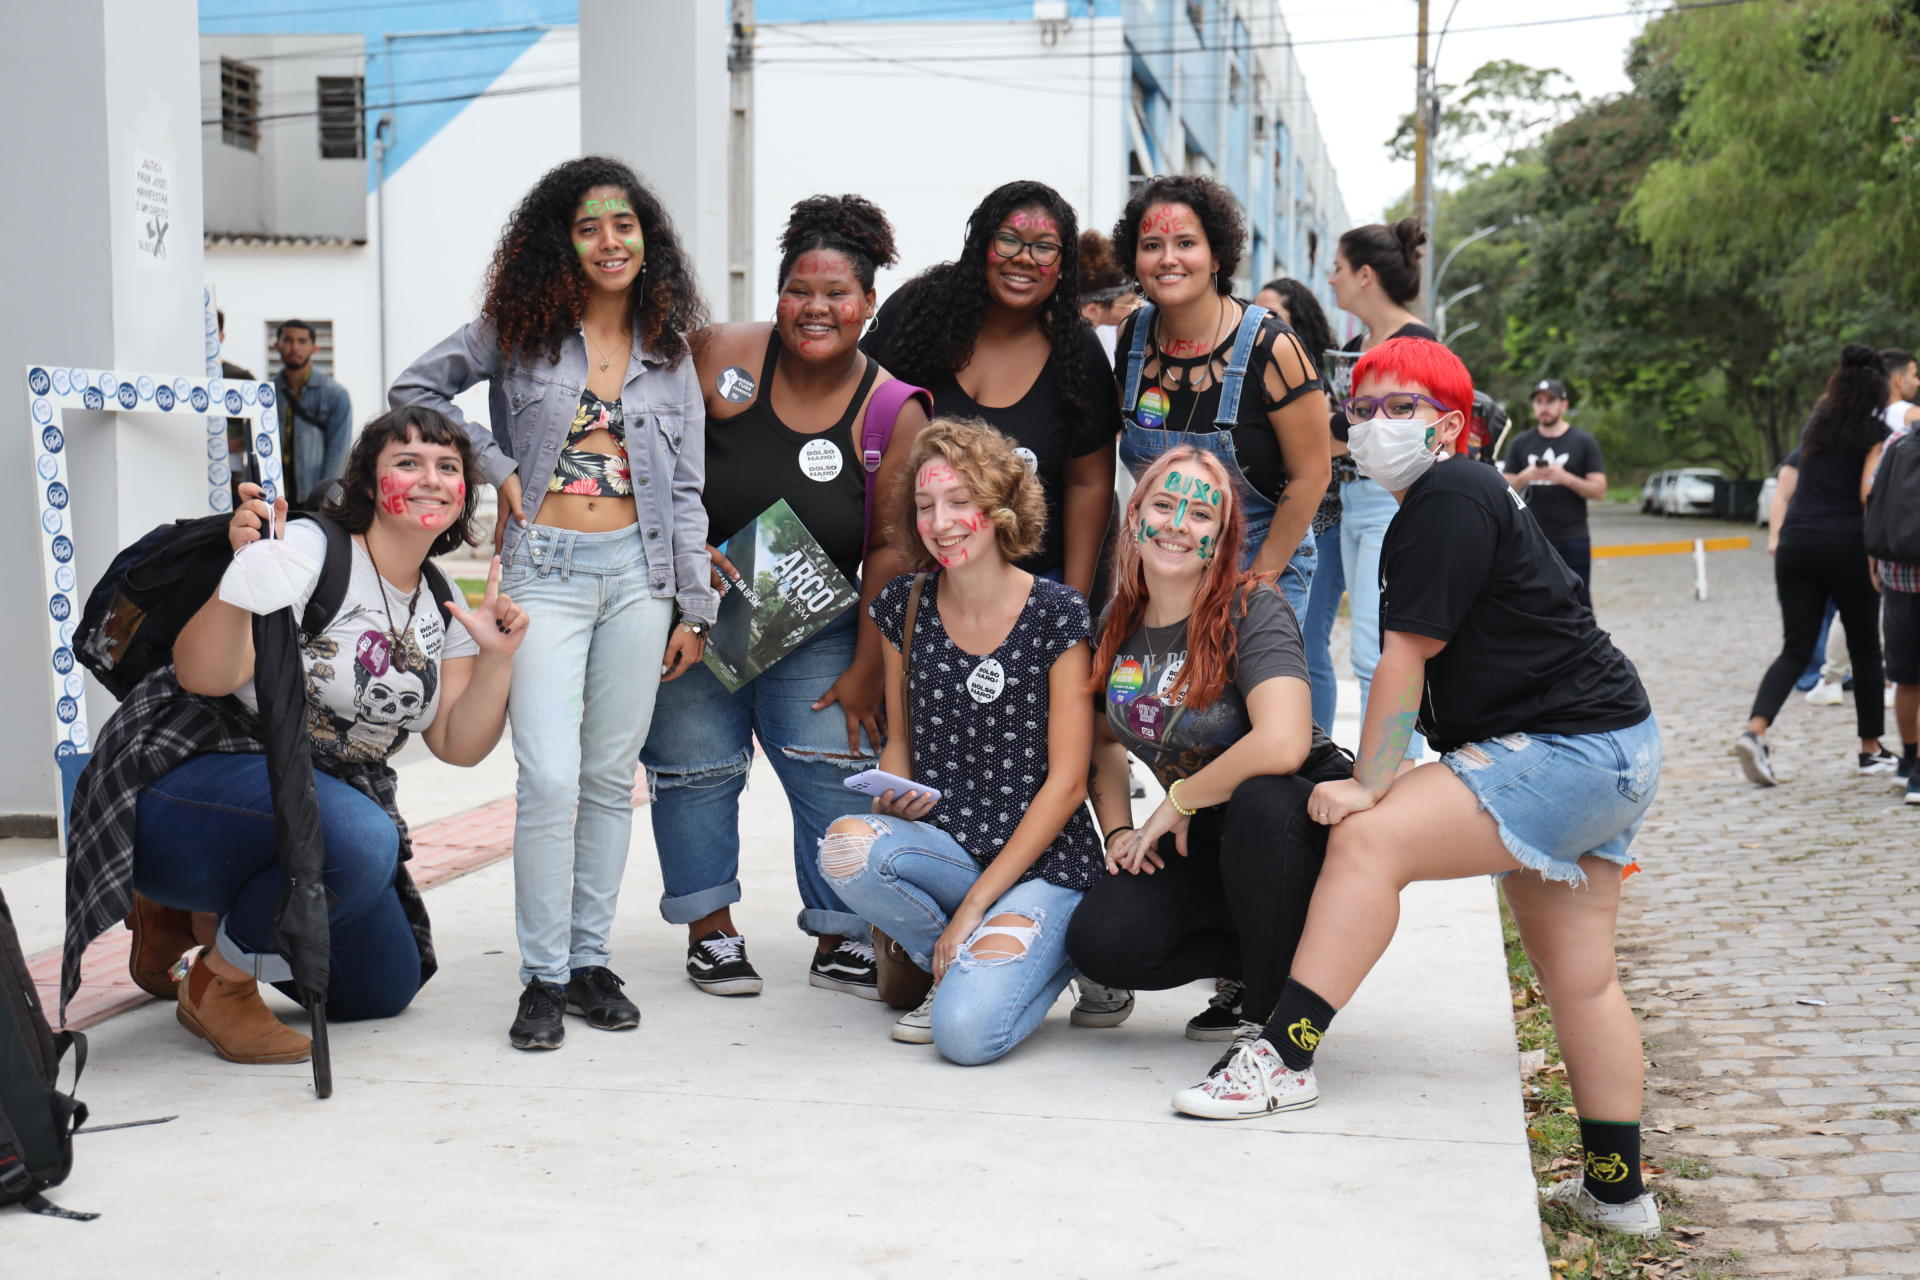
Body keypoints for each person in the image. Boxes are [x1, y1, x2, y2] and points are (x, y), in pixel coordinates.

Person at [1173, 337, 1667, 1242]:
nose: (1375, 423)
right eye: (1362, 408)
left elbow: (1405, 656)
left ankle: (1283, 1058)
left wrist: (1371, 783)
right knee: (1582, 981)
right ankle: (1617, 1194)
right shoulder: (1453, 500)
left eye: (1402, 407)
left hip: (1569, 749)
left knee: (1371, 838)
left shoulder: (1449, 495)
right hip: (1611, 748)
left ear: (1450, 425)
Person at [65, 407, 525, 1064]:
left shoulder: (438, 594)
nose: (431, 478)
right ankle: (217, 982)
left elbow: (458, 744)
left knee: (379, 986)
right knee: (361, 841)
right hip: (187, 779)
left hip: (312, 797)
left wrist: (497, 660)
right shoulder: (311, 549)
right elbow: (204, 676)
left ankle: (195, 921)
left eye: (447, 466)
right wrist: (243, 578)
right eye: (408, 462)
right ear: (368, 483)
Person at [390, 156, 715, 1050]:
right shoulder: (518, 331)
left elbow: (687, 492)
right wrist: (491, 464)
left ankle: (587, 963)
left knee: (610, 777)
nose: (610, 241)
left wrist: (694, 610)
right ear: (560, 243)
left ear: (647, 239)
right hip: (545, 572)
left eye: (624, 224)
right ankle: (540, 975)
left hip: (641, 576)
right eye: (588, 227)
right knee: (549, 778)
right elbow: (415, 389)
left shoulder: (670, 353)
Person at [645, 194, 931, 999]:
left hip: (818, 618)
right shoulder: (716, 354)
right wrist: (682, 561)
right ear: (777, 297)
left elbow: (891, 548)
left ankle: (842, 934)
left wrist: (870, 665)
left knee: (835, 771)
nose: (816, 308)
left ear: (868, 303)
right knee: (693, 770)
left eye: (837, 293)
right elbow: (654, 456)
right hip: (699, 612)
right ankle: (711, 932)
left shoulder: (894, 407)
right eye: (799, 290)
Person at [817, 418, 1104, 1063]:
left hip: (1043, 861)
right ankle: (960, 959)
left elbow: (1067, 785)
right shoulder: (905, 604)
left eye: (960, 502)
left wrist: (976, 904)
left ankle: (1057, 951)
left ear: (1001, 509)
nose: (940, 522)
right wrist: (893, 796)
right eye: (925, 505)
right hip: (951, 845)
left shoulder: (1057, 613)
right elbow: (900, 740)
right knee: (844, 849)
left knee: (965, 1036)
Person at [1068, 445, 1352, 1051]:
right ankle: (1252, 956)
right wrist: (1118, 831)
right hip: (1207, 829)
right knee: (1102, 942)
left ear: (1221, 540)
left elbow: (1283, 743)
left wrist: (1178, 801)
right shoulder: (1118, 619)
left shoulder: (1252, 607)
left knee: (1261, 800)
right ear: (1135, 516)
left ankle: (1269, 1014)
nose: (1177, 524)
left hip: (1300, 824)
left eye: (1200, 515)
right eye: (1163, 505)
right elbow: (1100, 738)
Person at [865, 180, 1119, 599]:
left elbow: (1088, 485)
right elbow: (855, 409)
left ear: (1063, 264)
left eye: (1044, 247)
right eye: (1008, 240)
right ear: (981, 244)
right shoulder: (916, 314)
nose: (1024, 257)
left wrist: (1069, 607)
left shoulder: (1077, 352)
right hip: (911, 587)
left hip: (1030, 593)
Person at [1111, 176, 1330, 622]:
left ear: (1216, 256)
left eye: (1185, 243)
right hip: (1163, 566)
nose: (1168, 258)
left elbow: (1313, 474)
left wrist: (1253, 587)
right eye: (1151, 245)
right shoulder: (1131, 338)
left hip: (1260, 566)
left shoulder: (1272, 347)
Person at [1735, 345, 1896, 786]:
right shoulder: (1875, 430)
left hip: (1797, 544)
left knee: (1796, 649)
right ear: (1877, 388)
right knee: (1866, 650)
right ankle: (1870, 749)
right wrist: (1875, 556)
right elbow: (1866, 493)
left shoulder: (1816, 427)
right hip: (1845, 543)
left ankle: (1755, 731)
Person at [1328, 218, 1436, 731]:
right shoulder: (1360, 342)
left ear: (1365, 274)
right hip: (1351, 497)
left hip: (1389, 500)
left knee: (1379, 650)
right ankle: (1382, 764)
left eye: (1338, 268)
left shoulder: (1415, 343)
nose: (1332, 279)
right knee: (1362, 648)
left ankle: (1394, 767)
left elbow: (1373, 427)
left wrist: (1325, 426)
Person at [1255, 277, 1345, 731]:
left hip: (1325, 525)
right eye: (1256, 313)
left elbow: (1331, 448)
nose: (1261, 324)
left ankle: (1316, 744)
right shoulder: (1255, 372)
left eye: (1273, 315)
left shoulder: (1320, 382)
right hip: (1276, 521)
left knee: (1308, 642)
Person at [1504, 378, 1607, 611]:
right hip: (1531, 539)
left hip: (1572, 537)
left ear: (1564, 405)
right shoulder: (1520, 442)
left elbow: (1600, 490)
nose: (1544, 407)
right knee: (1532, 604)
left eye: (1550, 401)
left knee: (1578, 604)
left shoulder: (1583, 441)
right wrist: (1525, 476)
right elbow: (1503, 490)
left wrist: (1565, 477)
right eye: (1538, 401)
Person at [272, 318, 353, 509]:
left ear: (314, 348)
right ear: (277, 346)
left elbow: (338, 452)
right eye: (288, 340)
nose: (294, 347)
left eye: (302, 341)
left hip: (313, 498)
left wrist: (325, 498)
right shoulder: (267, 392)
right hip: (274, 497)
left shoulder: (335, 394)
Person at [1077, 229, 1138, 364]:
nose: (1138, 307)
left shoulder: (1103, 333)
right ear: (1092, 310)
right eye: (1130, 303)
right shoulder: (1077, 355)